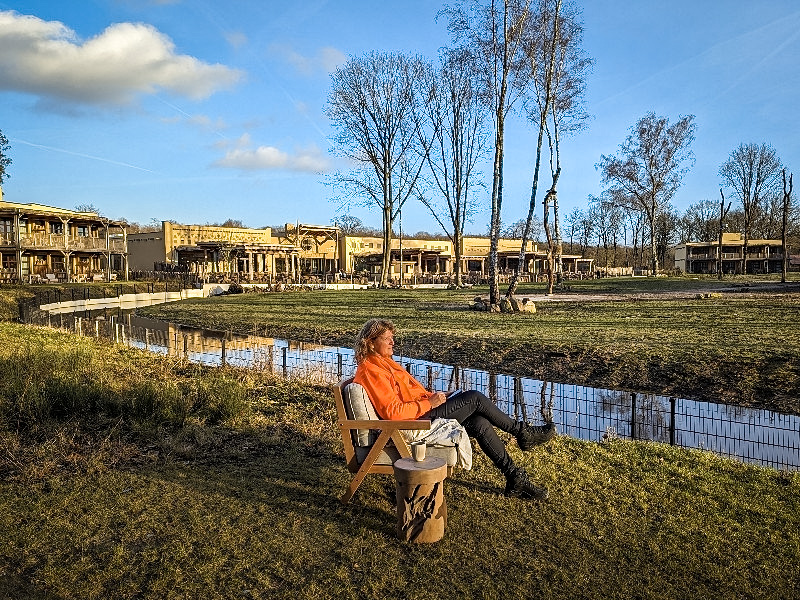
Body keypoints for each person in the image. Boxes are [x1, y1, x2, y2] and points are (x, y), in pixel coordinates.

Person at [353, 318, 556, 500]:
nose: (393, 342)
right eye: (387, 339)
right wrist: (429, 404)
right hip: (414, 422)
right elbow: (393, 413)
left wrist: (437, 397)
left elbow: (407, 395)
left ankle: (514, 477)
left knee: (479, 422)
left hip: (420, 413)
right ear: (371, 343)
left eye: (392, 338)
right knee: (475, 398)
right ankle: (523, 432)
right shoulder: (372, 370)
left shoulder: (384, 364)